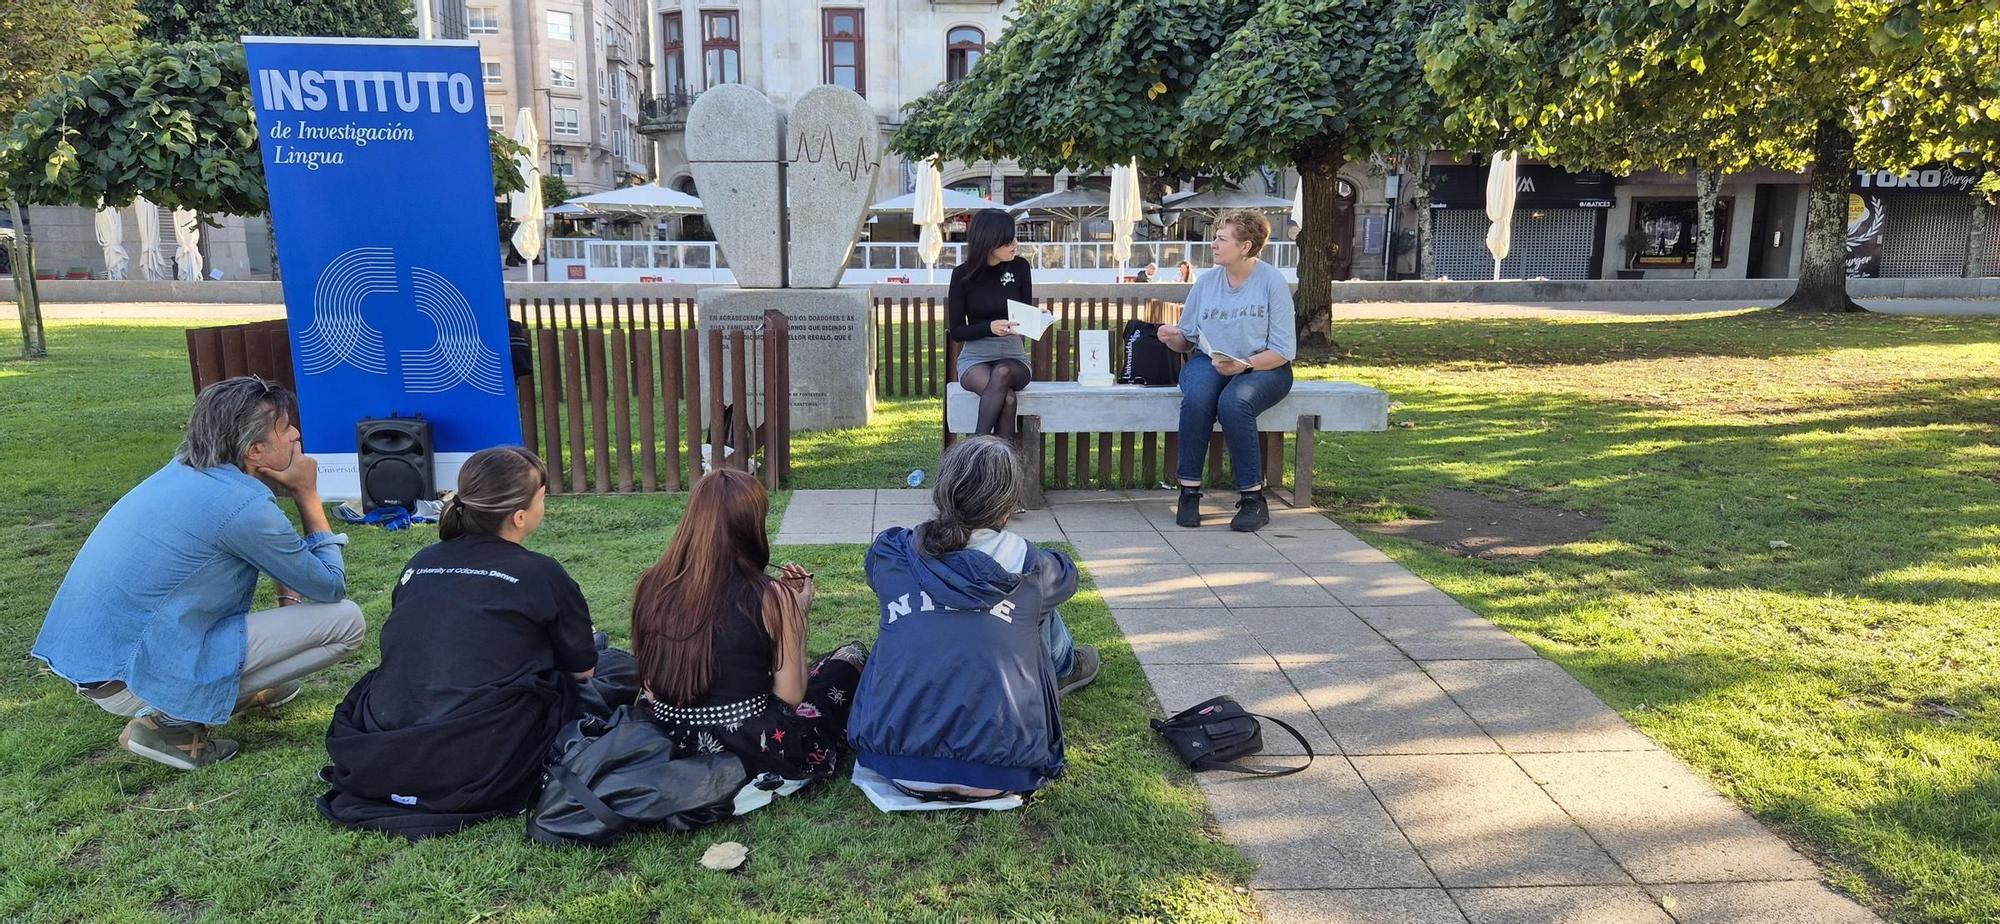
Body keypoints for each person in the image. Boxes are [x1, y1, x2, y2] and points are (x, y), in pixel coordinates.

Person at [33, 376, 365, 770]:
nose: (296, 435)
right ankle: (171, 723)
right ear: (255, 450)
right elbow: (329, 587)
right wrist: (307, 495)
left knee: (289, 651)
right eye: (286, 427)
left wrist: (287, 599)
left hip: (95, 667)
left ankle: (214, 697)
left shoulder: (182, 472)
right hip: (131, 678)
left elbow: (283, 556)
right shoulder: (242, 506)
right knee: (347, 622)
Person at [318, 446, 634, 838]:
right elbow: (582, 672)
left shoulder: (419, 562)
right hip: (480, 752)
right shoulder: (541, 572)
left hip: (386, 740)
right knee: (619, 667)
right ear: (521, 516)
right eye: (542, 498)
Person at [848, 437, 1100, 800]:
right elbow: (1066, 574)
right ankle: (1066, 668)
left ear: (942, 491)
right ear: (1009, 506)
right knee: (1036, 608)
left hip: (893, 763)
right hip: (1004, 772)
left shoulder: (892, 555)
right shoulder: (1037, 569)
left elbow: (882, 572)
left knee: (1028, 607)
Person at [631, 469, 866, 793]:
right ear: (750, 526)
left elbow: (651, 688)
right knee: (849, 659)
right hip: (753, 745)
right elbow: (790, 697)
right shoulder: (773, 597)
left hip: (666, 736)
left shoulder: (651, 584)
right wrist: (797, 616)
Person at [1156, 210, 1297, 532]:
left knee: (1234, 403)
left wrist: (1244, 364)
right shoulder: (1206, 283)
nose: (1214, 244)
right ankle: (1189, 492)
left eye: (1222, 239)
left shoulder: (1271, 282)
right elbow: (1188, 340)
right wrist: (1171, 338)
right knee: (1198, 396)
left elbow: (1284, 350)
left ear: (1245, 246)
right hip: (1213, 361)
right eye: (1215, 237)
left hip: (1265, 365)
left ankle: (1253, 500)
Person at [948, 209, 1036, 439]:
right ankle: (998, 467)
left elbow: (1023, 317)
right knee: (1007, 399)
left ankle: (975, 447)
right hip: (975, 358)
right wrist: (989, 327)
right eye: (1008, 240)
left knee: (1003, 371)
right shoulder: (962, 275)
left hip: (1013, 357)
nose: (1015, 244)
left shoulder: (1020, 267)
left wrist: (1038, 316)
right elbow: (957, 331)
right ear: (989, 241)